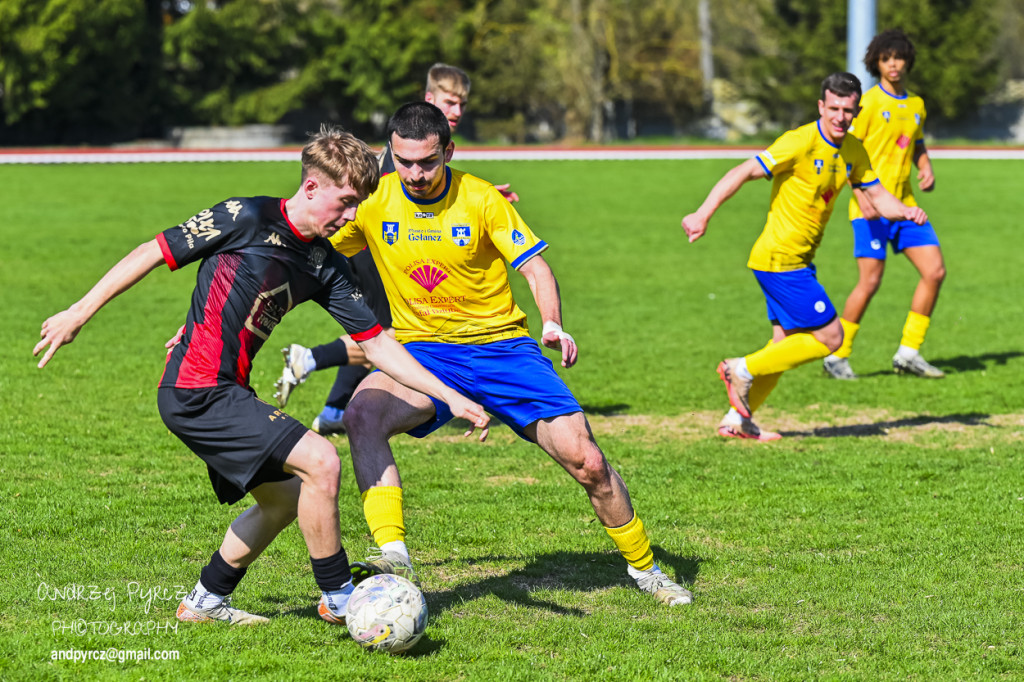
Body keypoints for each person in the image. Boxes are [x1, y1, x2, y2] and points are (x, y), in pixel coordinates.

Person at [33, 126, 489, 627]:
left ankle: (205, 602)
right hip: (196, 390)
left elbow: (377, 343)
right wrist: (78, 313)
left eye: (359, 204)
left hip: (225, 391)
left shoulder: (325, 263)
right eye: (346, 201)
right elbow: (153, 251)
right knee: (321, 461)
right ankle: (340, 598)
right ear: (312, 187)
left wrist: (450, 396)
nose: (353, 216)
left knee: (286, 499)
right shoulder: (244, 216)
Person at [332, 101, 692, 606]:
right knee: (362, 414)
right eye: (402, 161)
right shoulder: (374, 200)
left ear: (448, 152)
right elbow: (313, 245)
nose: (413, 173)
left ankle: (646, 569)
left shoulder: (479, 198)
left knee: (587, 461)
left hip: (502, 349)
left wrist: (551, 323)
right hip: (423, 351)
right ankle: (394, 554)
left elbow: (537, 269)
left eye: (427, 162)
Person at [681, 73, 928, 441]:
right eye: (834, 109)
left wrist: (906, 211)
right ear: (821, 107)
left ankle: (737, 421)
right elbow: (744, 170)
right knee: (831, 337)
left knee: (783, 346)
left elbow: (878, 197)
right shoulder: (800, 141)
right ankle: (740, 369)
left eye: (848, 110)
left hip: (794, 260)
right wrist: (703, 212)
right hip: (781, 260)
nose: (841, 117)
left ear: (857, 110)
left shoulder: (854, 150)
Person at [274, 63, 519, 434]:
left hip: (394, 250)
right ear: (429, 98)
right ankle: (309, 361)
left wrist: (482, 199)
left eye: (462, 105)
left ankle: (333, 406)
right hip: (376, 251)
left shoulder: (427, 142)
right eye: (450, 102)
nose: (456, 111)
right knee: (388, 335)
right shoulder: (404, 146)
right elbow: (385, 199)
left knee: (380, 332)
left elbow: (438, 194)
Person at [822, 29, 946, 380]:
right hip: (869, 208)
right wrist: (862, 197)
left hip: (905, 206)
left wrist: (926, 167)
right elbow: (848, 154)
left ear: (908, 61)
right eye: (886, 58)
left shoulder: (917, 105)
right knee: (870, 282)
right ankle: (837, 356)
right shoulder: (869, 103)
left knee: (934, 272)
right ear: (876, 63)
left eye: (899, 58)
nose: (893, 65)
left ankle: (909, 353)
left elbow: (916, 143)